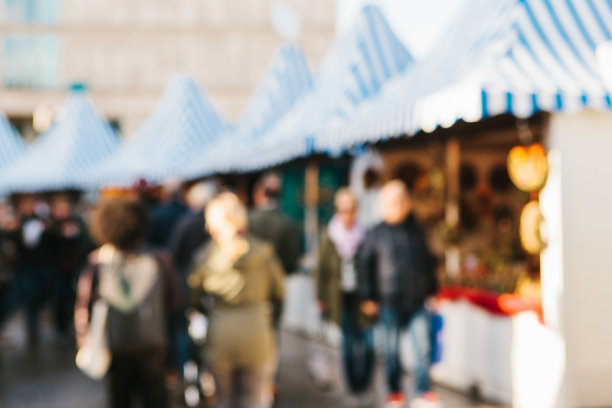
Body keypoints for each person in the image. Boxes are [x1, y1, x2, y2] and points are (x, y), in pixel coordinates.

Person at [75, 197, 178, 408]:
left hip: (116, 343)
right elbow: (175, 301)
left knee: (119, 398)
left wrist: (84, 341)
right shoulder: (160, 259)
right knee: (156, 398)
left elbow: (84, 306)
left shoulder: (98, 263)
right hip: (153, 341)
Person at [188, 192, 284, 408]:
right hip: (257, 333)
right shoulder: (264, 253)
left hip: (220, 336)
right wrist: (270, 320)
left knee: (223, 400)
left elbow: (193, 299)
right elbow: (279, 293)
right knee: (252, 400)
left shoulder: (205, 257)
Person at [358, 180, 439, 408]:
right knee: (391, 351)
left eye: (401, 201)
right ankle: (394, 392)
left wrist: (432, 290)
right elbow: (365, 267)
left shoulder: (417, 231)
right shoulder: (375, 233)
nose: (397, 206)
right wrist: (368, 297)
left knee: (422, 348)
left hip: (416, 300)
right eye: (392, 201)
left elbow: (428, 263)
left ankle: (423, 391)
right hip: (388, 301)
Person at [315, 188, 375, 407]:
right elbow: (320, 270)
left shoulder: (365, 235)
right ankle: (353, 388)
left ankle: (364, 385)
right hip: (339, 298)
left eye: (350, 210)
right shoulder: (329, 235)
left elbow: (373, 266)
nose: (347, 214)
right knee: (349, 345)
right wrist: (320, 298)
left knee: (368, 345)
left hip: (363, 298)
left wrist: (374, 297)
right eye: (342, 210)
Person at [48, 195, 94, 337]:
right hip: (58, 269)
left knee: (73, 297)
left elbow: (84, 245)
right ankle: (61, 328)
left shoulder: (77, 222)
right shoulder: (51, 225)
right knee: (60, 299)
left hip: (73, 268)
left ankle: (71, 325)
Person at [248, 172, 301, 275]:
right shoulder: (289, 224)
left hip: (253, 281)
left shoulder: (248, 220)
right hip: (280, 281)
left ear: (260, 192)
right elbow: (292, 262)